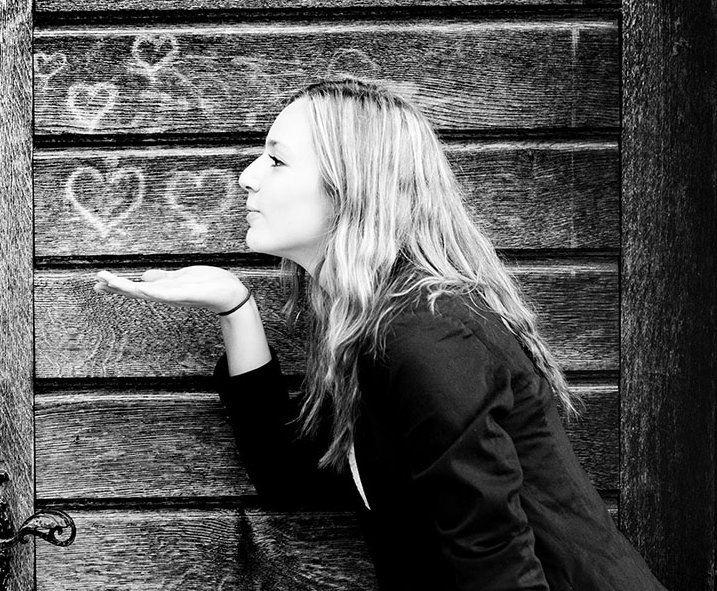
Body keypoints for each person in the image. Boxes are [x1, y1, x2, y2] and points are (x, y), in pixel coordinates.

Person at [94, 77, 667, 590]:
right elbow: (290, 471)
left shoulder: (428, 335)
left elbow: (493, 561)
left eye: (276, 161)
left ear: (350, 189)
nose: (246, 177)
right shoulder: (376, 325)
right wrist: (235, 306)